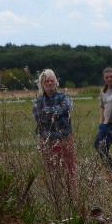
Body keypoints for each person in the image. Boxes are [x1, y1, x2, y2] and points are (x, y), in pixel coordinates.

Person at [32, 69, 76, 202]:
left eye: (52, 80)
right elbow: (39, 118)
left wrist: (48, 112)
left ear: (56, 82)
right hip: (47, 140)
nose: (50, 83)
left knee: (69, 168)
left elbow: (67, 108)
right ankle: (55, 198)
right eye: (47, 81)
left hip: (65, 139)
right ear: (42, 84)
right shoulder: (37, 101)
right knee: (52, 170)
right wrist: (57, 112)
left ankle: (72, 196)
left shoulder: (64, 97)